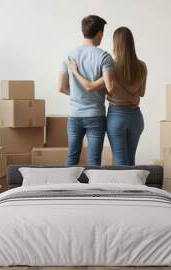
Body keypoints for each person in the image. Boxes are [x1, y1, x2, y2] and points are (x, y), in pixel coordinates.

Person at [67, 27, 147, 166]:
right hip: (136, 117)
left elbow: (91, 86)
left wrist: (74, 70)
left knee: (120, 162)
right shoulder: (142, 66)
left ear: (115, 43)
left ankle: (121, 188)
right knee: (131, 162)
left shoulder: (111, 66)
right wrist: (131, 98)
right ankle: (133, 188)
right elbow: (141, 93)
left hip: (117, 116)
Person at [59, 15, 114, 166]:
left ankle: (67, 189)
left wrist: (77, 94)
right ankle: (92, 190)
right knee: (94, 162)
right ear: (99, 33)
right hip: (96, 115)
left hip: (74, 115)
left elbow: (61, 87)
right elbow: (109, 86)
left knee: (71, 158)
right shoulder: (104, 57)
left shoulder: (68, 55)